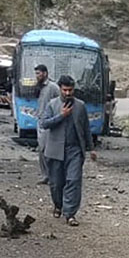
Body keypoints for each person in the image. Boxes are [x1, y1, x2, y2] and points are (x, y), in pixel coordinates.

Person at [39, 75, 96, 226]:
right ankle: (58, 205)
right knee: (57, 183)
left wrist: (91, 148)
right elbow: (44, 124)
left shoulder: (81, 106)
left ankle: (70, 214)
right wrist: (61, 116)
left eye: (71, 90)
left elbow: (86, 129)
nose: (68, 93)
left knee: (74, 180)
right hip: (55, 149)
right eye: (65, 90)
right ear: (60, 89)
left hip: (74, 149)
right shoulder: (52, 104)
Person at [34, 64, 60, 185]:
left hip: (49, 124)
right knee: (41, 150)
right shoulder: (40, 87)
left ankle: (52, 176)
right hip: (40, 122)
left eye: (39, 73)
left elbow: (60, 103)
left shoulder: (53, 87)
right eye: (36, 73)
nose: (37, 76)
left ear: (45, 73)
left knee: (47, 150)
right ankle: (45, 175)